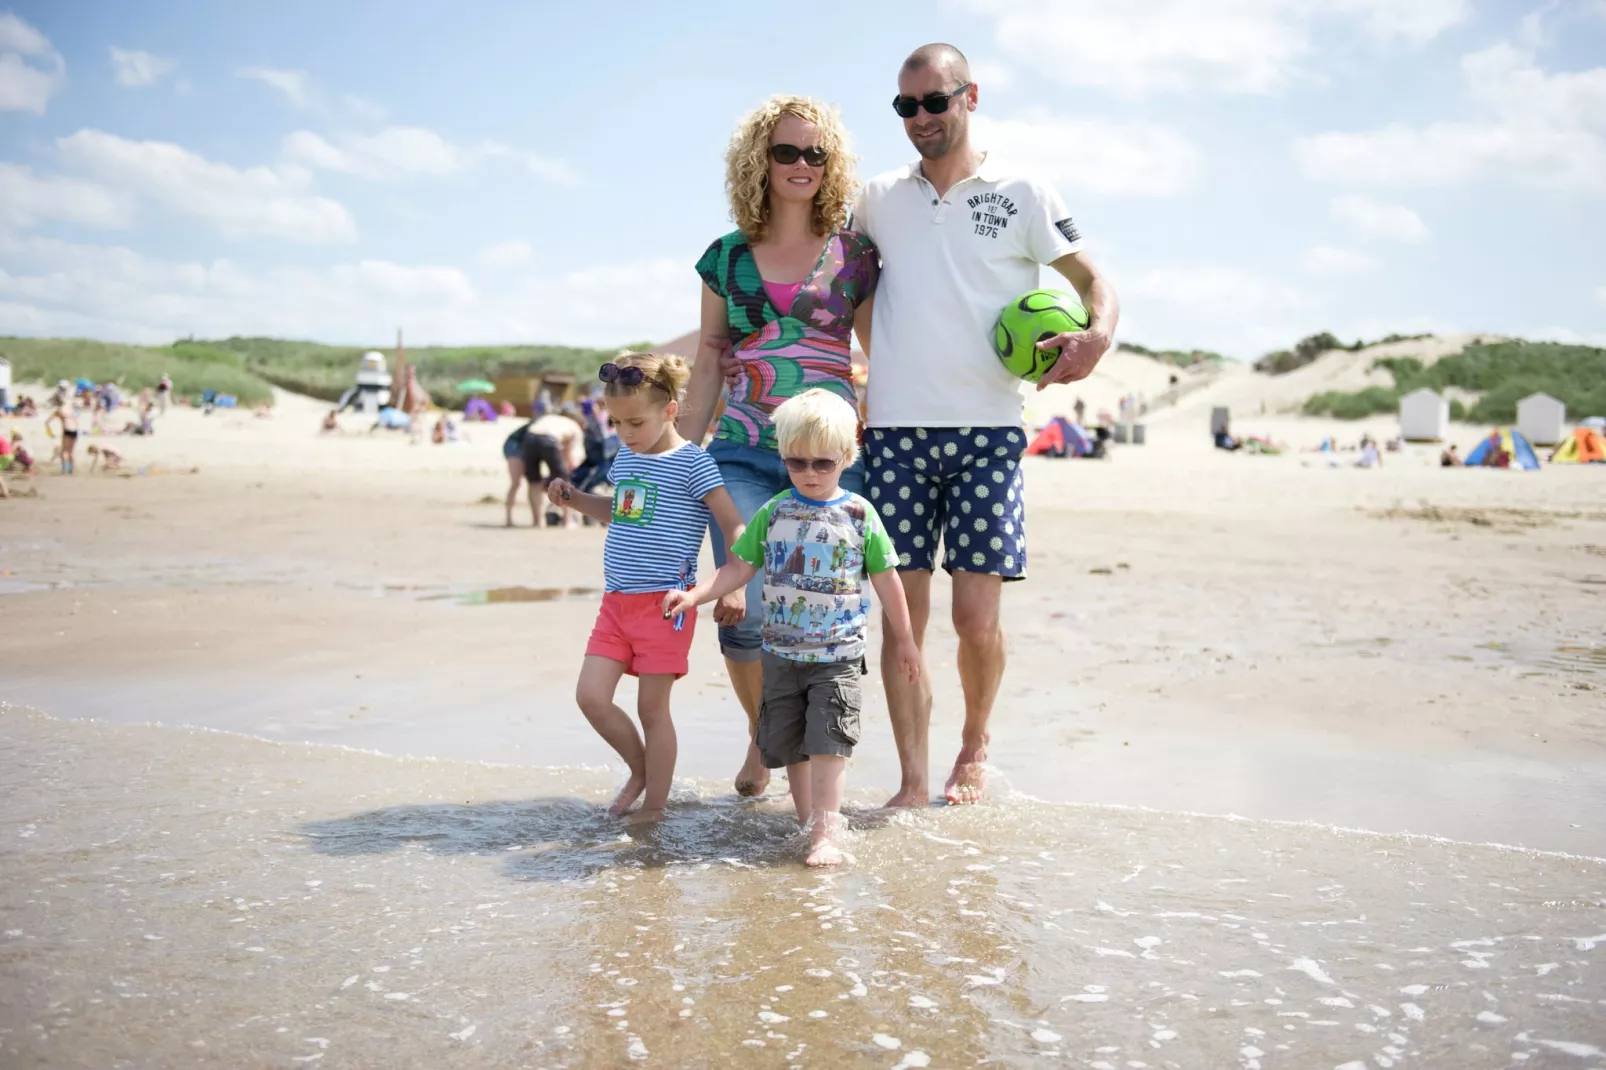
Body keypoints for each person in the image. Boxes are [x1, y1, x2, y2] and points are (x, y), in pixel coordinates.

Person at [851, 43, 1117, 806]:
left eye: (935, 102)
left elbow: (1094, 281)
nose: (920, 119)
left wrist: (1096, 335)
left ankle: (973, 744)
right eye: (906, 107)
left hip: (989, 434)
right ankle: (909, 780)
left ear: (972, 96)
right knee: (904, 624)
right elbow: (840, 281)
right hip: (895, 434)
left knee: (974, 620)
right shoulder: (877, 197)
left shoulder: (1025, 190)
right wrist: (876, 361)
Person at [679, 93, 881, 798]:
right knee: (749, 607)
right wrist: (675, 459)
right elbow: (708, 362)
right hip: (738, 448)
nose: (802, 165)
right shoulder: (726, 258)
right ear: (759, 161)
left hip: (824, 460)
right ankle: (765, 730)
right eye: (786, 151)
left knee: (814, 615)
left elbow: (877, 352)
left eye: (815, 153)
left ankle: (790, 754)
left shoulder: (856, 256)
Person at [664, 390, 920, 865]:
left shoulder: (859, 515)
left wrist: (904, 640)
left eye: (822, 464)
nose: (808, 474)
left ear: (847, 456)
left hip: (837, 656)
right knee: (793, 747)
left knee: (829, 743)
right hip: (780, 655)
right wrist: (697, 595)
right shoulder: (775, 511)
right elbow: (738, 568)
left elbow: (888, 580)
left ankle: (826, 833)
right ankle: (809, 826)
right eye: (795, 463)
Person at [544, 353, 743, 825]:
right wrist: (573, 499)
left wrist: (731, 584)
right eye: (616, 422)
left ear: (670, 410)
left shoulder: (695, 464)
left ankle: (654, 805)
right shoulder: (627, 456)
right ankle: (640, 771)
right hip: (617, 603)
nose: (625, 432)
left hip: (666, 604)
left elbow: (733, 526)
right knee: (591, 696)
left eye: (635, 421)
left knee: (652, 709)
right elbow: (619, 512)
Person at [45, 404, 79, 474]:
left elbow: (48, 421)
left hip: (67, 430)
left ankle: (64, 469)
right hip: (75, 431)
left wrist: (48, 425)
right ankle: (70, 469)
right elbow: (76, 422)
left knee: (63, 452)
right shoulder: (70, 412)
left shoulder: (59, 412)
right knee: (70, 452)